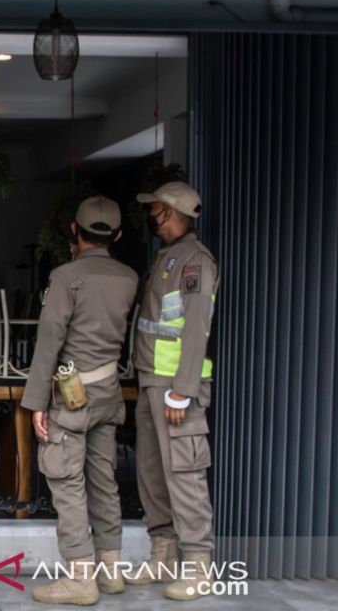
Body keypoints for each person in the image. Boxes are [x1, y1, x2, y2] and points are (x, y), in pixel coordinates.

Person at [22, 196, 139, 605]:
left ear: (75, 230)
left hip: (72, 398)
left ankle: (79, 579)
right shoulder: (129, 277)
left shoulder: (66, 276)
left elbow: (49, 341)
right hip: (108, 391)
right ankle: (110, 573)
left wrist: (37, 401)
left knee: (67, 483)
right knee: (103, 482)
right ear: (118, 235)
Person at [123, 181, 217, 601]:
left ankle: (199, 567)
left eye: (156, 209)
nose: (151, 217)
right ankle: (162, 556)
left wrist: (183, 390)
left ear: (171, 212)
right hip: (149, 380)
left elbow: (196, 327)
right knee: (152, 474)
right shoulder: (167, 257)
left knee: (184, 473)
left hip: (174, 389)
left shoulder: (195, 262)